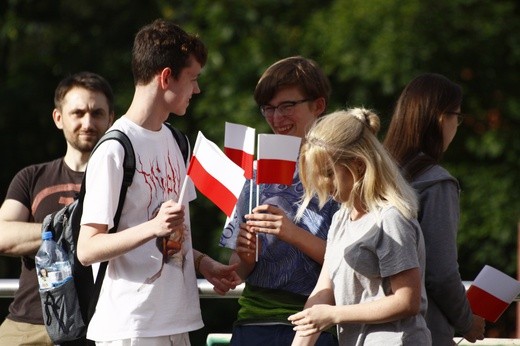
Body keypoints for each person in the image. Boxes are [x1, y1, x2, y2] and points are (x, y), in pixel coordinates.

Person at [76, 19, 240, 345]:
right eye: (192, 79)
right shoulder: (114, 149)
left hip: (176, 322)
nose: (197, 90)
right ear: (166, 77)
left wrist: (202, 262)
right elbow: (87, 248)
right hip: (130, 328)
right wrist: (153, 227)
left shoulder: (179, 143)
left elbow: (169, 239)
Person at [220, 56, 340, 345]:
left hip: (314, 327)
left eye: (287, 106)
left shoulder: (342, 173)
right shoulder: (254, 172)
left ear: (318, 105)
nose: (276, 118)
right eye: (269, 109)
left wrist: (291, 233)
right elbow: (237, 269)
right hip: (252, 324)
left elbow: (350, 262)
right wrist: (245, 255)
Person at [288, 107, 432, 345]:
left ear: (358, 165)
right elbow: (323, 291)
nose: (321, 183)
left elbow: (407, 300)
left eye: (328, 173)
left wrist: (334, 314)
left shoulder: (391, 219)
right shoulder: (340, 218)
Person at [0, 71, 115, 345]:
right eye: (78, 113)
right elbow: (2, 236)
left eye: (97, 113)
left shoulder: (124, 183)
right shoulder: (31, 177)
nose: (88, 122)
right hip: (28, 325)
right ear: (58, 118)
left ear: (111, 120)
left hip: (98, 328)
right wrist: (61, 229)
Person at [383, 73, 485, 345]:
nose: (457, 125)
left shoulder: (375, 177)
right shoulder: (436, 182)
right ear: (441, 118)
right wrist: (466, 321)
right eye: (457, 117)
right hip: (421, 333)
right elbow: (440, 273)